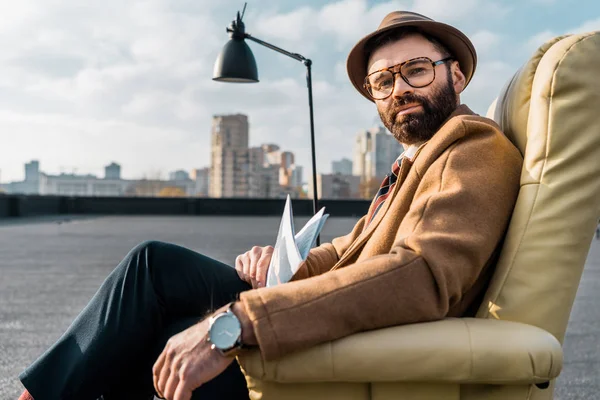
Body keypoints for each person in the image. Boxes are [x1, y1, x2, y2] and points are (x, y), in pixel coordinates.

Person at [18, 10, 523, 400]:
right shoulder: (420, 160)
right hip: (334, 309)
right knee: (153, 268)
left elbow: (421, 277)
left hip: (355, 344)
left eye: (416, 71)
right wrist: (293, 263)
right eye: (384, 82)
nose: (400, 91)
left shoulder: (472, 149)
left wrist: (239, 321)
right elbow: (354, 247)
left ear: (456, 75)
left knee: (165, 331)